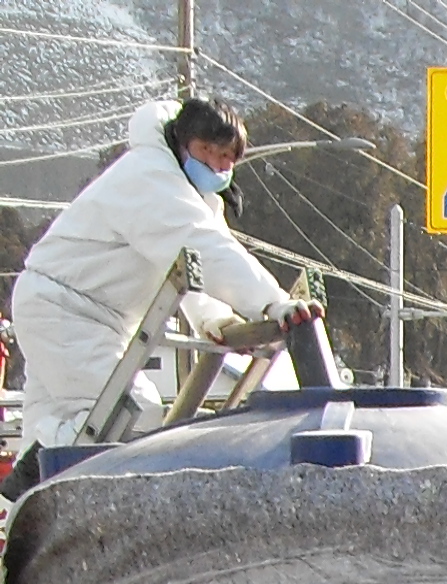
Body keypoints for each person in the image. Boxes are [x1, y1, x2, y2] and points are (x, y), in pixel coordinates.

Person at [6, 100, 311, 466]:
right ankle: (39, 468)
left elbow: (188, 264)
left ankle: (30, 484)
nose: (216, 164)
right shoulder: (149, 178)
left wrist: (216, 320)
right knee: (132, 412)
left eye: (226, 157)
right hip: (66, 311)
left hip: (74, 310)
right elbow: (202, 247)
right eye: (206, 150)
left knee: (60, 420)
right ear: (181, 142)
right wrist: (272, 303)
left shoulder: (191, 194)